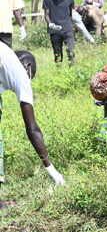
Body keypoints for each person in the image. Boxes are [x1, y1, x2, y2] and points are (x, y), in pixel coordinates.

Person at [0, 45, 65, 206]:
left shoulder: (5, 57)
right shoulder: (21, 73)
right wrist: (50, 168)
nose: (30, 80)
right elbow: (32, 128)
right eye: (32, 76)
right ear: (28, 65)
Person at [43, 0, 77, 64]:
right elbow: (46, 14)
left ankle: (72, 69)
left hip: (67, 29)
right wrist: (50, 24)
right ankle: (58, 70)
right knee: (57, 54)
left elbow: (70, 15)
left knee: (71, 51)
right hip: (54, 30)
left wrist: (69, 26)